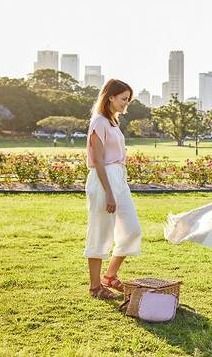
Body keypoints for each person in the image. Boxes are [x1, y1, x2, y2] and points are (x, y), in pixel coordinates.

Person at [84, 79, 142, 300]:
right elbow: (98, 161)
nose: (126, 103)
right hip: (103, 180)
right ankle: (95, 287)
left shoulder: (113, 122)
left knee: (132, 230)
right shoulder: (99, 122)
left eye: (128, 99)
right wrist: (108, 191)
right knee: (100, 231)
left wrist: (118, 186)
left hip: (118, 179)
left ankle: (110, 276)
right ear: (110, 97)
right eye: (123, 99)